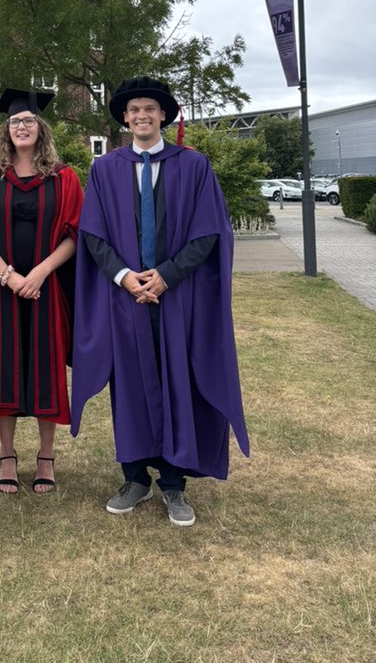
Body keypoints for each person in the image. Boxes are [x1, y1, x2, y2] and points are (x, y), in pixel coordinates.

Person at [71, 77, 249, 526]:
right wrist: (125, 277)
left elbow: (209, 232)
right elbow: (92, 233)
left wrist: (166, 277)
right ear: (125, 118)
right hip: (125, 297)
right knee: (129, 385)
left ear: (163, 115)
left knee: (177, 382)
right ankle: (134, 477)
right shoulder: (105, 169)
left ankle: (173, 484)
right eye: (134, 110)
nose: (142, 115)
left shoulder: (193, 166)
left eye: (150, 108)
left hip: (176, 298)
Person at [0, 89, 84, 494]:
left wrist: (40, 273)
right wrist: (9, 274)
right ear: (6, 129)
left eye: (29, 121)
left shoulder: (64, 177)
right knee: (4, 367)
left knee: (45, 368)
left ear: (41, 128)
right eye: (15, 122)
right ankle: (7, 455)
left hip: (47, 290)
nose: (22, 127)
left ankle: (46, 457)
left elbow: (74, 232)